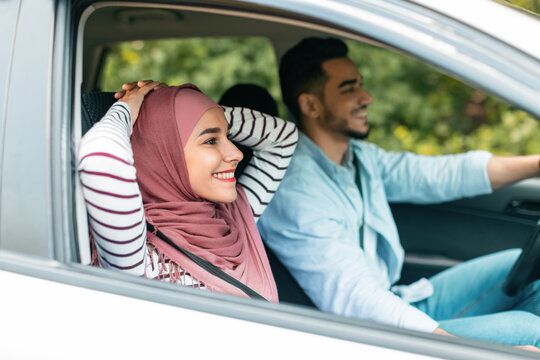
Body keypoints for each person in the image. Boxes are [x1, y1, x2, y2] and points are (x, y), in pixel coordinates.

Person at [257, 37, 540, 348]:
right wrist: (461, 349)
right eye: (349, 89)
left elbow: (442, 175)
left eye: (361, 85)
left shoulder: (359, 159)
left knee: (523, 267)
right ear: (310, 105)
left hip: (397, 301)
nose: (367, 97)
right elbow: (359, 301)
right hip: (370, 336)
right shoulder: (295, 191)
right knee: (529, 330)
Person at [78, 81, 297, 301]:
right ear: (166, 152)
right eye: (211, 140)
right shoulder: (139, 253)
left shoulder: (235, 218)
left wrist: (187, 108)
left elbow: (283, 137)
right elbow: (100, 159)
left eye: (227, 137)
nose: (236, 153)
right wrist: (127, 109)